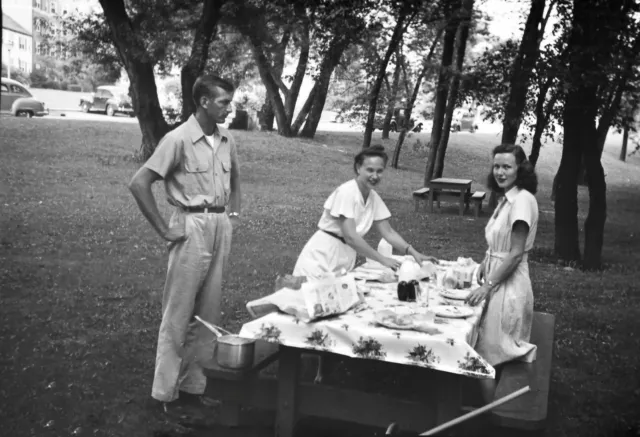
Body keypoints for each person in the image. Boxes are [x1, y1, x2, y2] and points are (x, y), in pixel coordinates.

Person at [128, 75, 241, 416]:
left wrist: (232, 213)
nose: (229, 107)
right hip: (190, 225)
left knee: (208, 313)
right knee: (178, 313)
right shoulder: (177, 139)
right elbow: (139, 183)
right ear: (204, 101)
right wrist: (164, 229)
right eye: (223, 102)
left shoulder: (226, 138)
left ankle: (194, 387)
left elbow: (235, 177)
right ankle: (164, 395)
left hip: (219, 225)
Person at [293, 144, 437, 279]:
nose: (375, 176)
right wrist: (382, 259)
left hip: (343, 256)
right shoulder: (347, 193)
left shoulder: (373, 197)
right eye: (370, 170)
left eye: (379, 171)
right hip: (322, 257)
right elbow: (351, 237)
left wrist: (413, 252)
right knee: (310, 302)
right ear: (358, 168)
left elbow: (388, 232)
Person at [465, 143, 539, 404]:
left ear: (521, 169)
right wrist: (482, 269)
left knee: (486, 354)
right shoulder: (508, 199)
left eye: (507, 166)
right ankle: (487, 407)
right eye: (496, 166)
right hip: (497, 279)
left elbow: (516, 253)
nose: (500, 171)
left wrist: (488, 285)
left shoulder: (521, 202)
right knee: (484, 346)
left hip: (508, 285)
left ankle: (492, 419)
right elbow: (499, 247)